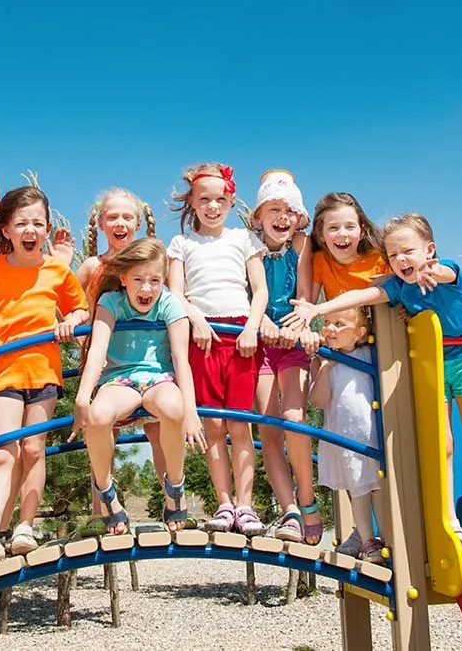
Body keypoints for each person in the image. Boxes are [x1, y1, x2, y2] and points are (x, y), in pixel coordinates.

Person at [283, 213, 462, 561]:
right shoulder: (399, 288)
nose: (402, 260)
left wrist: (433, 271)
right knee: (442, 445)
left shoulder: (443, 269)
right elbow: (358, 297)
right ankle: (451, 521)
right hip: (430, 365)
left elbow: (447, 274)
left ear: (429, 250)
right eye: (394, 255)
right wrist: (316, 308)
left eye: (409, 252)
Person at [0, 186, 89, 583]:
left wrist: (71, 321)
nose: (30, 230)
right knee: (3, 452)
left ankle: (24, 526)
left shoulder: (56, 269)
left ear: (47, 228)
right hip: (6, 373)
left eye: (37, 223)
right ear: (6, 230)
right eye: (21, 224)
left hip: (45, 373)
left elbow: (80, 306)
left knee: (34, 448)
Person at [73, 238, 207, 534]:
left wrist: (192, 412)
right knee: (97, 416)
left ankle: (174, 490)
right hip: (120, 379)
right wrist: (83, 396)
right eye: (138, 280)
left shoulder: (170, 302)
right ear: (123, 278)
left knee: (175, 409)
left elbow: (180, 359)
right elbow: (97, 349)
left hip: (159, 378)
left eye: (155, 280)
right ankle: (107, 494)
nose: (146, 288)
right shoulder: (111, 302)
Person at [167, 162, 269, 536]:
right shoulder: (181, 244)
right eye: (204, 199)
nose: (213, 206)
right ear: (191, 202)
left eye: (220, 199)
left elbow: (259, 291)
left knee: (240, 424)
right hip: (202, 337)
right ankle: (223, 502)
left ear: (230, 201)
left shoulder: (243, 239)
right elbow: (176, 292)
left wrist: (252, 328)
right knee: (213, 424)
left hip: (240, 333)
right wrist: (196, 319)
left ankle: (246, 505)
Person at [308, 191, 390, 554]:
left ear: (361, 229)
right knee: (351, 454)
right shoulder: (321, 262)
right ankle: (362, 533)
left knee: (376, 456)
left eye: (349, 226)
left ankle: (384, 535)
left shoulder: (377, 261)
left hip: (374, 351)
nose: (342, 234)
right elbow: (310, 300)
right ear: (321, 233)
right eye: (332, 227)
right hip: (340, 350)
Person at [75, 188, 160, 536]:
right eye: (113, 217)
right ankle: (104, 506)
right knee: (101, 427)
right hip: (106, 361)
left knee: (157, 424)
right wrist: (74, 317)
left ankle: (173, 498)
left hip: (147, 359)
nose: (120, 223)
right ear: (100, 223)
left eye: (127, 217)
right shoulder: (94, 266)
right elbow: (77, 301)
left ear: (138, 224)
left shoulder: (152, 261)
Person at [248, 170, 322, 544]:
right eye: (273, 208)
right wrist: (260, 323)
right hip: (259, 341)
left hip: (291, 338)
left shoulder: (302, 246)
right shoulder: (250, 247)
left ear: (299, 218)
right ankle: (288, 510)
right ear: (259, 215)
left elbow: (306, 295)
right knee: (268, 425)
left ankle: (307, 500)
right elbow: (250, 295)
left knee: (294, 416)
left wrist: (300, 325)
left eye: (289, 210)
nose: (282, 216)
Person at [310, 307, 387, 563]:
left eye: (339, 324)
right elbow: (319, 400)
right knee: (358, 489)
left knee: (377, 487)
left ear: (359, 333)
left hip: (371, 435)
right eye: (327, 323)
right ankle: (367, 540)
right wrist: (325, 367)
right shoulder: (324, 359)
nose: (330, 329)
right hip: (343, 437)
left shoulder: (368, 355)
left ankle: (384, 538)